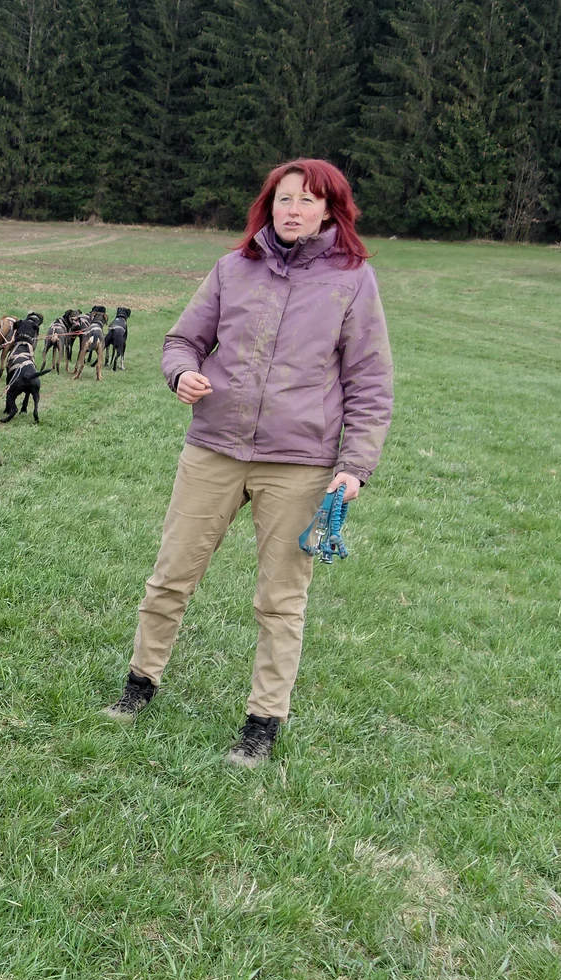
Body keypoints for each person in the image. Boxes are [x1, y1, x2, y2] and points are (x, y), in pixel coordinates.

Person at [103, 159, 394, 765]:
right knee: (169, 577)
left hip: (300, 465)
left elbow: (370, 382)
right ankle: (139, 684)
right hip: (213, 450)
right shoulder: (233, 269)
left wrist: (354, 466)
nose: (294, 209)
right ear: (269, 206)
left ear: (330, 212)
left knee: (281, 600)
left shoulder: (353, 281)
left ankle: (263, 721)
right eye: (284, 198)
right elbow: (182, 339)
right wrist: (182, 372)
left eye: (308, 201)